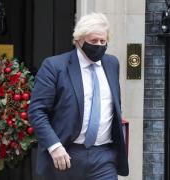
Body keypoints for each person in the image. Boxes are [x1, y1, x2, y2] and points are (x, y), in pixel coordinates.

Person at [28, 12, 129, 180]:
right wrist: (54, 147)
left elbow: (114, 105)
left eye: (103, 41)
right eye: (93, 41)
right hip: (65, 155)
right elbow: (37, 112)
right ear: (78, 40)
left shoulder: (112, 64)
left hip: (104, 157)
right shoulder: (54, 66)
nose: (99, 45)